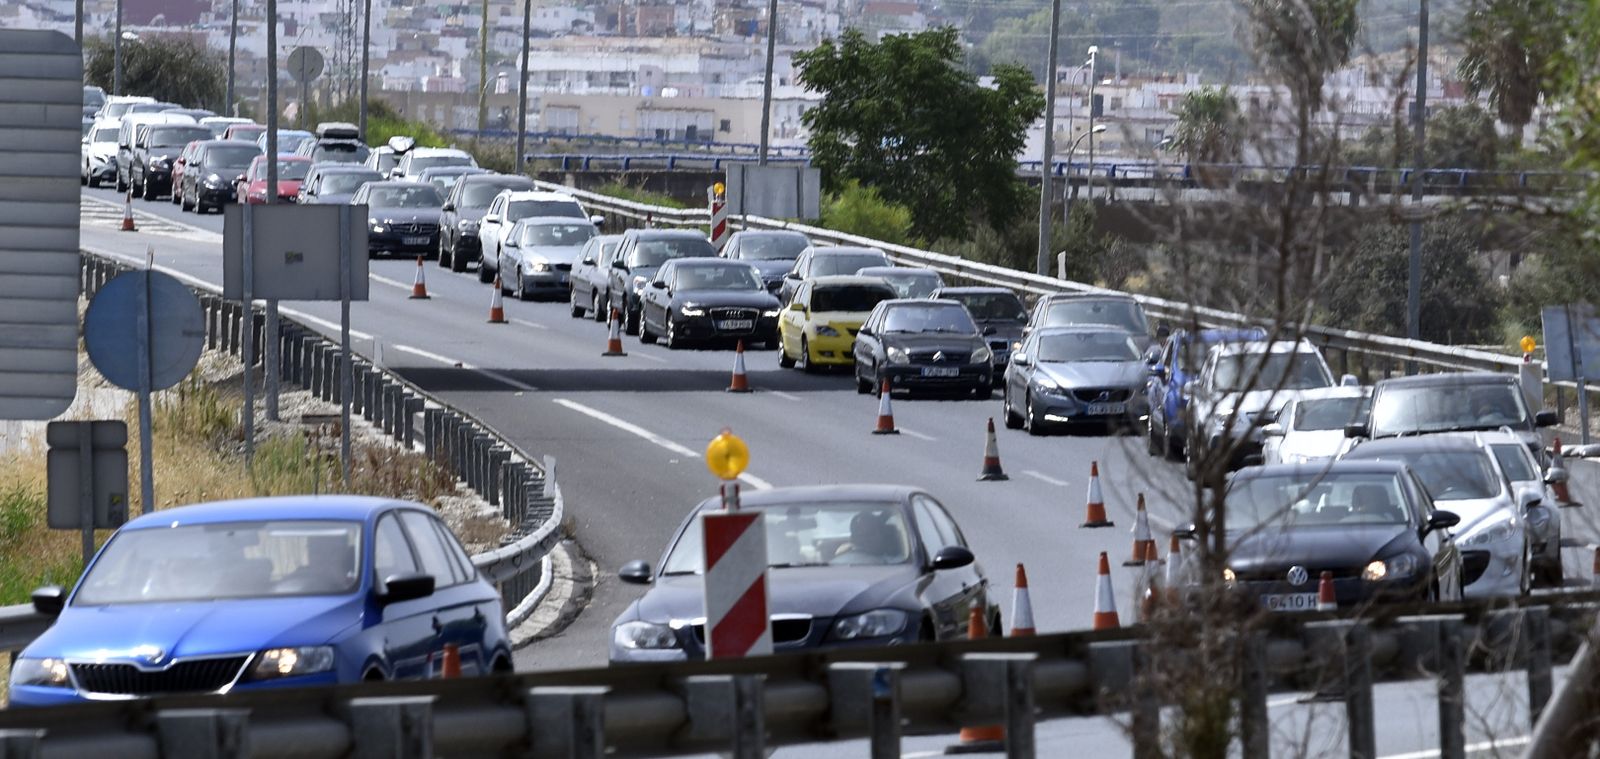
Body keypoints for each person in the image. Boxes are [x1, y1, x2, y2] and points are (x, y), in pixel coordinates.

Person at [831, 511, 905, 565]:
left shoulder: (898, 563)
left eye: (871, 533)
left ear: (882, 535)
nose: (867, 538)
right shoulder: (837, 563)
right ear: (853, 538)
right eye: (862, 534)